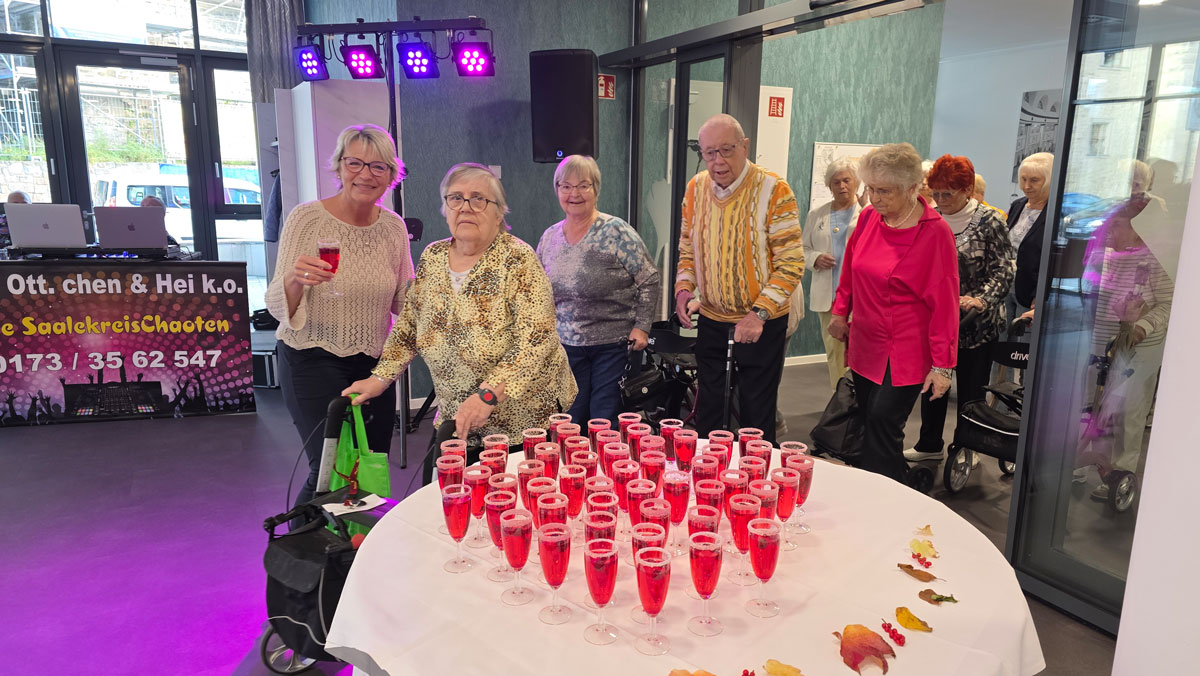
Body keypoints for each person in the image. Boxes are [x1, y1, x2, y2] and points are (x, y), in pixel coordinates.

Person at [342, 163, 577, 481]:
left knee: (508, 512)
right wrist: (380, 378)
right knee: (442, 498)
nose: (466, 206)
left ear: (498, 213)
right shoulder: (433, 257)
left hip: (523, 421)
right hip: (456, 411)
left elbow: (536, 337)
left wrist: (489, 394)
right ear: (445, 208)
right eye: (456, 198)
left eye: (478, 198)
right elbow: (411, 322)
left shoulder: (517, 260)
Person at [265, 124, 413, 508]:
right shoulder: (307, 220)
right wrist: (296, 280)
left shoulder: (393, 227)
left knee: (368, 466)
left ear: (391, 175)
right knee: (329, 469)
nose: (365, 174)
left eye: (378, 167)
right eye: (355, 163)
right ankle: (298, 560)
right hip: (312, 357)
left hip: (372, 366)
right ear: (339, 166)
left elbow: (404, 300)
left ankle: (353, 556)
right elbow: (277, 306)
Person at [828, 143, 959, 483]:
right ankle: (881, 482)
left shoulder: (934, 233)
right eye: (870, 188)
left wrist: (943, 365)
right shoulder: (871, 218)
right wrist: (840, 311)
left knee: (884, 420)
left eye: (884, 190)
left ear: (913, 188)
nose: (874, 198)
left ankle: (888, 491)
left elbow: (945, 303)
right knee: (869, 419)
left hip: (906, 347)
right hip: (867, 339)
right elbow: (851, 269)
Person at [673, 114, 804, 443]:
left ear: (745, 147)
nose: (718, 161)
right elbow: (688, 246)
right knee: (710, 412)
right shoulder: (696, 187)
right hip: (713, 317)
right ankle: (709, 485)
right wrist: (683, 290)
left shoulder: (776, 190)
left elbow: (791, 264)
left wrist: (757, 314)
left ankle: (757, 486)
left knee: (755, 415)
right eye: (709, 152)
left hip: (762, 321)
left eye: (727, 150)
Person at [904, 155, 1014, 462]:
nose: (940, 200)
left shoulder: (991, 221)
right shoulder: (928, 218)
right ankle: (929, 444)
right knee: (933, 384)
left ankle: (969, 447)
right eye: (935, 193)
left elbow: (1004, 268)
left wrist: (981, 299)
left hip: (976, 323)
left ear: (967, 190)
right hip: (937, 320)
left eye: (947, 194)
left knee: (970, 390)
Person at [536, 155, 659, 425]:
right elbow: (538, 292)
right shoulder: (549, 237)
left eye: (583, 185)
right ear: (557, 190)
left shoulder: (617, 232)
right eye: (565, 186)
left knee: (605, 419)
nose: (574, 193)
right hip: (566, 346)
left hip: (613, 345)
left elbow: (648, 279)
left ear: (596, 189)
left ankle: (607, 467)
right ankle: (576, 469)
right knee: (571, 419)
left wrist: (642, 327)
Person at [1076, 160, 1174, 499]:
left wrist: (1142, 327)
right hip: (1103, 342)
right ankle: (1084, 460)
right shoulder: (1106, 255)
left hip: (1140, 348)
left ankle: (1121, 473)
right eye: (1110, 227)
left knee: (1127, 412)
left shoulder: (1153, 259)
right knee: (1093, 405)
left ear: (1137, 231)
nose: (1110, 234)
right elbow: (1091, 291)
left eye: (1118, 228)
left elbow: (1168, 302)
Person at [802, 156, 864, 390]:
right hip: (828, 295)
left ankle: (857, 401)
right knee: (834, 352)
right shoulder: (816, 214)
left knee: (859, 353)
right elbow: (802, 250)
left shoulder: (868, 215)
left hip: (859, 296)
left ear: (856, 182)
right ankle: (839, 403)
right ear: (829, 186)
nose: (842, 186)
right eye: (836, 182)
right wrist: (816, 258)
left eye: (846, 180)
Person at [1007, 152, 1054, 333]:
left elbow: (1052, 260)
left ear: (1049, 180)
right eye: (1023, 179)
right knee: (1001, 345)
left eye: (1034, 180)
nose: (1026, 186)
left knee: (1022, 349)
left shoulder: (1056, 213)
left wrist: (1039, 295)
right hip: (1007, 287)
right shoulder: (1017, 205)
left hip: (1030, 293)